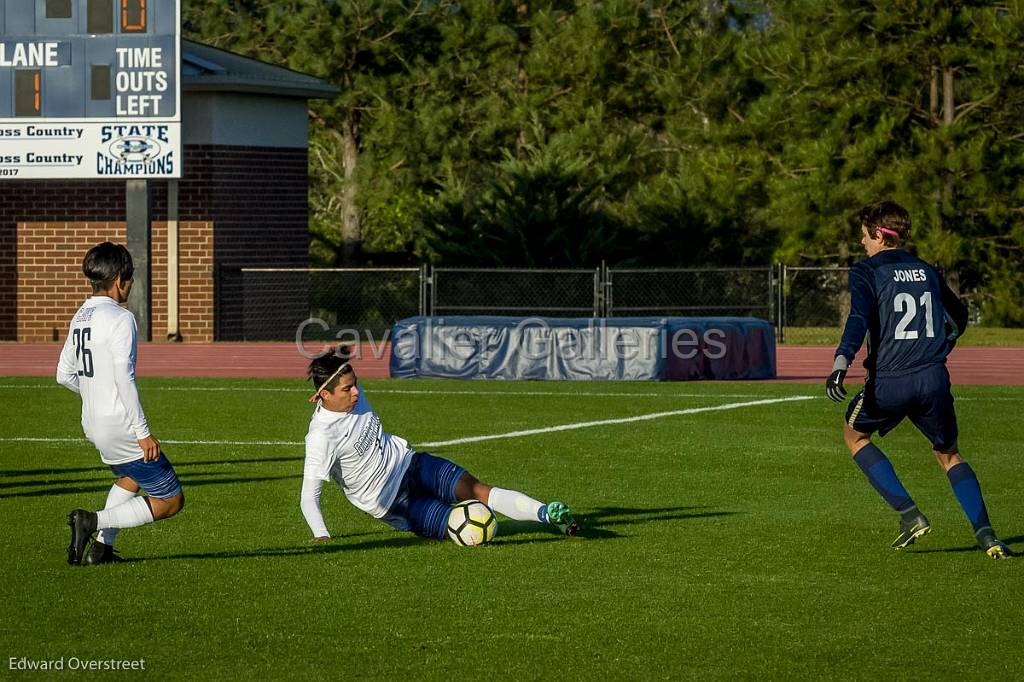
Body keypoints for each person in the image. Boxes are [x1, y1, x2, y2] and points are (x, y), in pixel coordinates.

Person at [826, 200, 1011, 559]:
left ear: (880, 235)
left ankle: (909, 514)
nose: (862, 243)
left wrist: (841, 361)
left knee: (853, 434)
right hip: (933, 379)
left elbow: (858, 318)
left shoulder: (866, 271)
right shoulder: (927, 269)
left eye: (865, 236)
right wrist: (940, 346)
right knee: (949, 455)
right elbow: (958, 316)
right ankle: (987, 535)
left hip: (890, 382)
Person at [300, 346, 579, 542]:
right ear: (324, 394)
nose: (357, 392)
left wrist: (338, 357)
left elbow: (338, 369)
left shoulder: (354, 397)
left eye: (356, 384)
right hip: (394, 502)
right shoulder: (321, 437)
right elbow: (309, 497)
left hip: (413, 464)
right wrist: (322, 535)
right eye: (347, 388)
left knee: (477, 490)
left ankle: (546, 514)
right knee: (464, 529)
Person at [57, 242, 185, 565]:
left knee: (131, 478)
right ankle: (92, 522)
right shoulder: (121, 318)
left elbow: (63, 374)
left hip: (93, 424)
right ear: (119, 280)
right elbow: (124, 379)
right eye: (130, 278)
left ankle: (102, 550)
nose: (131, 284)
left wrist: (95, 396)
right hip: (121, 426)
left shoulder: (80, 316)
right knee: (171, 500)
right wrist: (142, 432)